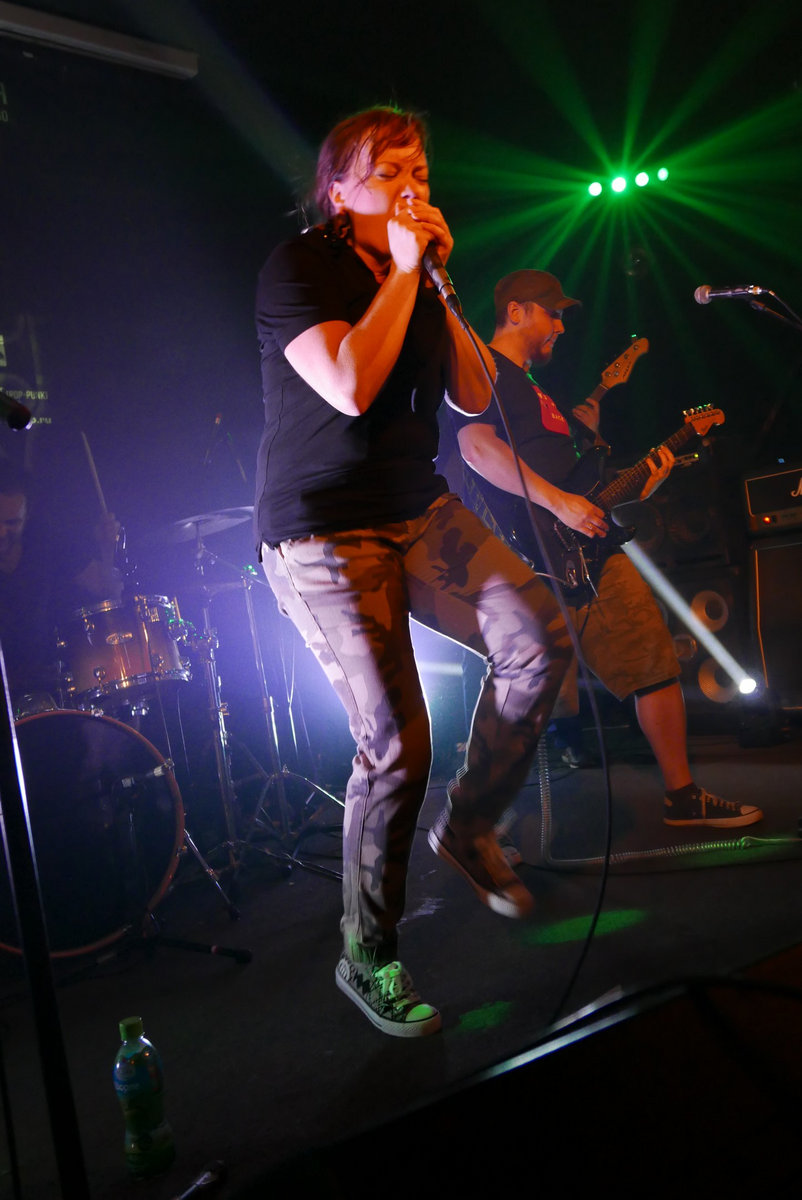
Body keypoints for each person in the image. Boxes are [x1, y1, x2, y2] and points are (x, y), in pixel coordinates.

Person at [254, 108, 573, 1038]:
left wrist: (434, 281)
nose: (411, 187)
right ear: (338, 188)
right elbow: (350, 385)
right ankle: (368, 955)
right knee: (397, 743)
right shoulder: (299, 267)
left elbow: (474, 392)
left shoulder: (419, 274)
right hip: (322, 529)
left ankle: (469, 827)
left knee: (539, 635)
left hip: (415, 509)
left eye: (421, 173)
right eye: (388, 171)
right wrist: (401, 273)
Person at [454, 268, 762, 835]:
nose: (561, 326)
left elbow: (581, 486)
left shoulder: (539, 392)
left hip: (591, 551)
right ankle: (478, 825)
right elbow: (475, 447)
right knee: (524, 697)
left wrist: (640, 485)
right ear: (516, 311)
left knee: (652, 658)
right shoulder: (484, 371)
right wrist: (561, 505)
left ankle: (682, 796)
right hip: (532, 561)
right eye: (553, 313)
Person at [0, 463, 122, 709]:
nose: (2, 532)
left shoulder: (47, 543)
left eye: (12, 523)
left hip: (50, 688)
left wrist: (107, 549)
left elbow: (107, 590)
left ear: (27, 516)